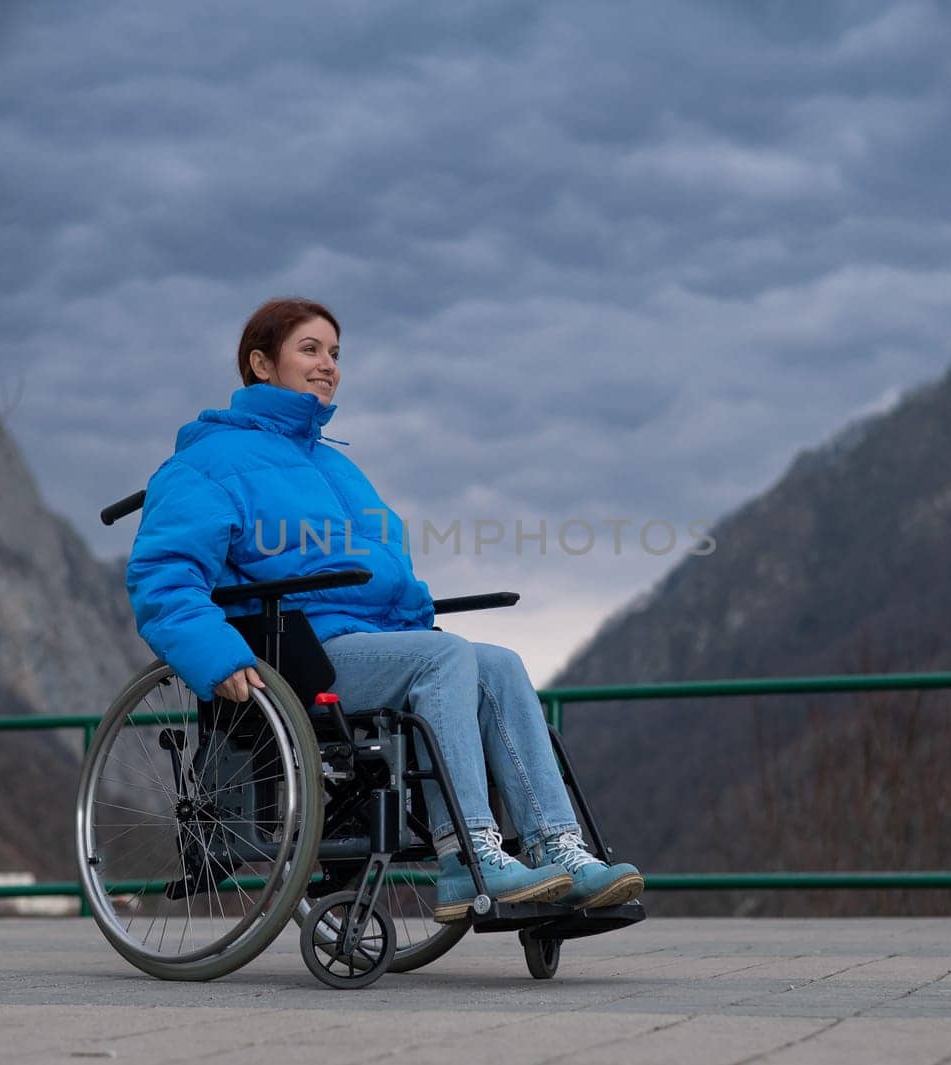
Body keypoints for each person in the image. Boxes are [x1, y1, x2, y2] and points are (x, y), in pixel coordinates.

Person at [126, 297, 643, 921]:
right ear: (262, 364)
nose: (328, 365)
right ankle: (468, 859)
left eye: (335, 353)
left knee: (499, 663)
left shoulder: (334, 465)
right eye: (310, 350)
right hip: (300, 652)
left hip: (372, 642)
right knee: (446, 657)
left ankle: (557, 851)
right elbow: (163, 577)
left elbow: (382, 576)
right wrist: (216, 654)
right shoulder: (205, 463)